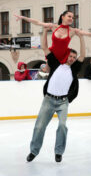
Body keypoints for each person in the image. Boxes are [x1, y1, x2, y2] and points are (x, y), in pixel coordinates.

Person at [26, 28, 85, 163]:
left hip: (63, 102)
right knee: (39, 126)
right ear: (66, 55)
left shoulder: (74, 68)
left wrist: (81, 37)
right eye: (70, 56)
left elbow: (83, 56)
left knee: (63, 126)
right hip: (48, 100)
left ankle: (58, 152)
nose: (72, 59)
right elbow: (45, 47)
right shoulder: (55, 62)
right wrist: (45, 31)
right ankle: (34, 151)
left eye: (74, 58)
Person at [15, 11, 91, 64]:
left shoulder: (72, 31)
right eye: (69, 16)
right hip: (52, 55)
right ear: (62, 17)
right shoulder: (54, 26)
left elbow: (88, 34)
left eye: (73, 17)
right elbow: (38, 22)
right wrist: (23, 17)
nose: (71, 19)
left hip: (64, 57)